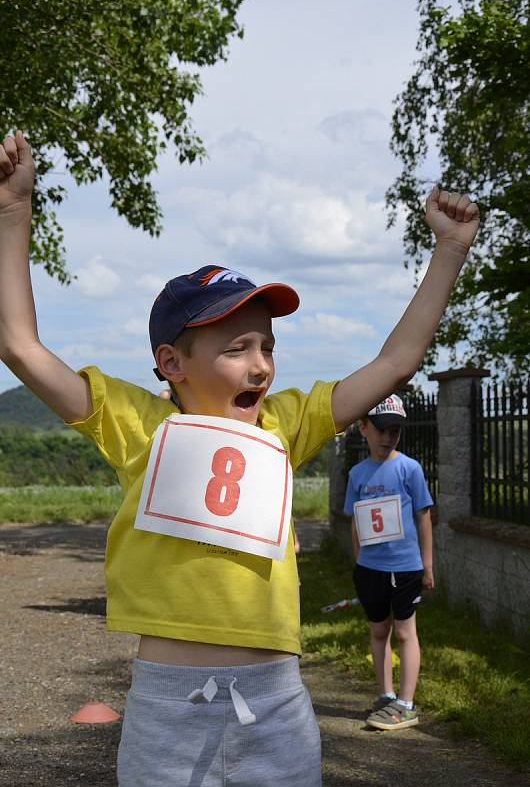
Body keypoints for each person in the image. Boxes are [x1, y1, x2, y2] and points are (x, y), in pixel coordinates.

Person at [0, 130, 479, 785]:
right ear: (172, 363)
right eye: (238, 347)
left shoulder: (286, 425)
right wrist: (12, 213)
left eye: (268, 347)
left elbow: (397, 362)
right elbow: (21, 347)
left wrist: (449, 250)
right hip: (167, 708)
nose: (261, 364)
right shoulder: (138, 423)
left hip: (275, 703)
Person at [343, 394, 434, 731]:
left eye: (395, 430)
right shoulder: (357, 474)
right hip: (370, 569)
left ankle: (406, 704)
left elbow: (424, 517)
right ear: (363, 428)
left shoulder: (410, 468)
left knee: (405, 631)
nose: (388, 436)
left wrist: (427, 566)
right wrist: (359, 562)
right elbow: (355, 521)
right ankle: (385, 694)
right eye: (382, 429)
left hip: (405, 567)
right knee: (379, 630)